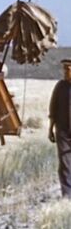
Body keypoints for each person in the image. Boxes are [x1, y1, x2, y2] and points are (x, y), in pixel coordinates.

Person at [48, 59, 71, 198]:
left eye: (68, 69)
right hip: (62, 131)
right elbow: (53, 108)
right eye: (64, 69)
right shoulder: (60, 86)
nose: (66, 72)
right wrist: (50, 128)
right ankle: (67, 194)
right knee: (65, 162)